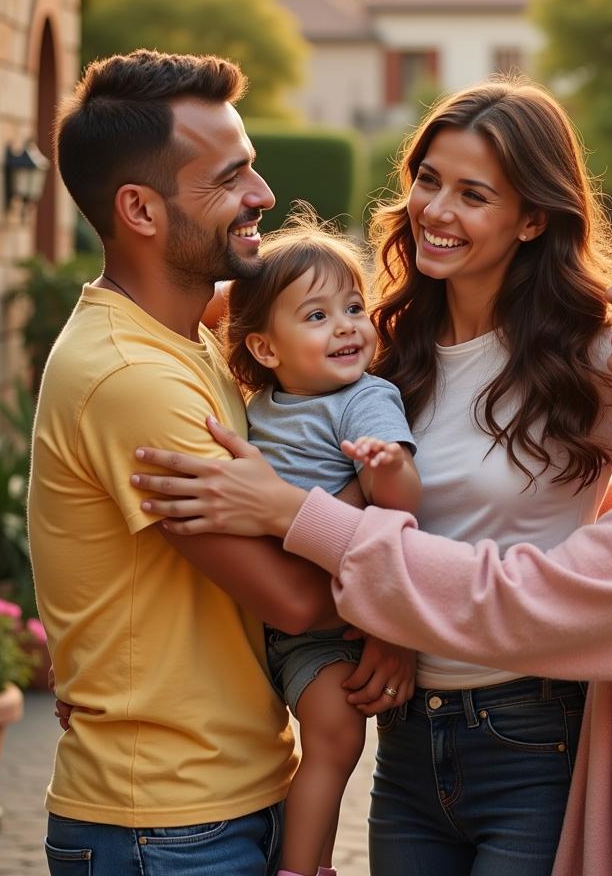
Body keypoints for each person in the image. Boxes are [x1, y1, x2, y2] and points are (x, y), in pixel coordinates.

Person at [130, 81, 612, 874]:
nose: (435, 210)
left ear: (531, 219)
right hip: (409, 733)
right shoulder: (378, 342)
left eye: (473, 193)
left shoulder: (591, 352)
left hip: (535, 727)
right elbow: (230, 331)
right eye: (428, 180)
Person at [29, 49, 373, 876]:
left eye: (251, 167)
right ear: (140, 210)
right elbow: (294, 601)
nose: (262, 195)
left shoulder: (188, 340)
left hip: (216, 806)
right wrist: (438, 590)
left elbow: (331, 317)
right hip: (166, 827)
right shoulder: (133, 378)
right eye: (230, 179)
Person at [222, 216, 421, 876]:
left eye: (355, 307)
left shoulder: (366, 399)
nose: (347, 326)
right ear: (267, 349)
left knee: (334, 739)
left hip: (327, 627)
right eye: (317, 314)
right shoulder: (252, 404)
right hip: (245, 616)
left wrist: (383, 466)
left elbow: (403, 501)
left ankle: (303, 869)